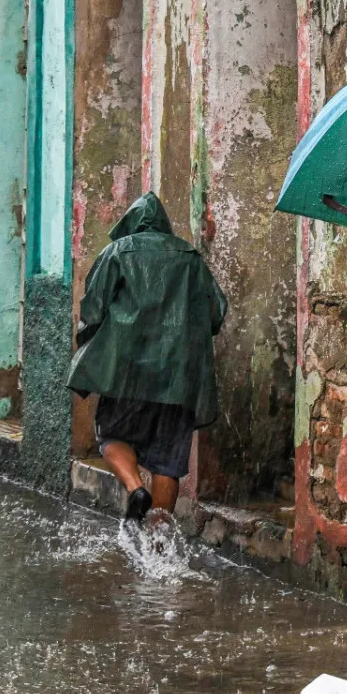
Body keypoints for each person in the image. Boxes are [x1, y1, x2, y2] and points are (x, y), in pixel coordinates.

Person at [68, 193, 228, 525]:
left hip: (127, 371)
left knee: (111, 436)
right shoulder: (190, 258)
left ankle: (135, 488)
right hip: (178, 379)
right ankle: (159, 544)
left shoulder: (116, 252)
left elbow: (92, 311)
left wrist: (92, 352)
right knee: (167, 462)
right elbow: (216, 313)